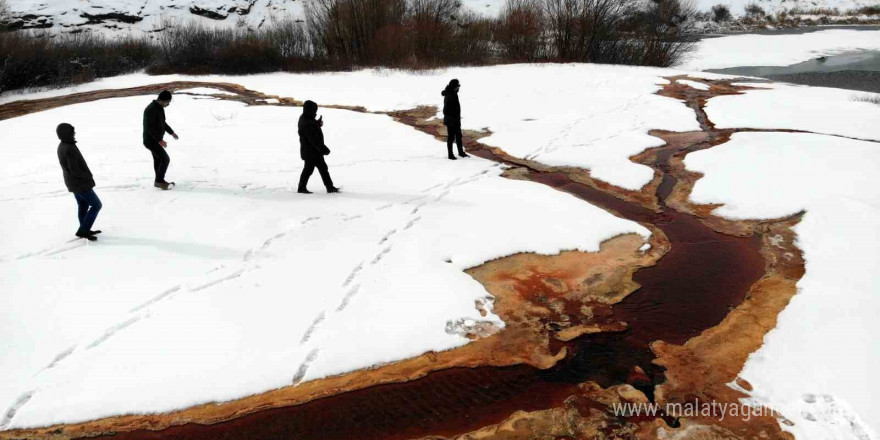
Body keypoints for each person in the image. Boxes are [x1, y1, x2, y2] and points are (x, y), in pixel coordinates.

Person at [56, 123, 102, 242]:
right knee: (96, 205)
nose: (74, 133)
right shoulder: (69, 148)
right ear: (67, 133)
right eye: (72, 131)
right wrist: (88, 176)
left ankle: (85, 228)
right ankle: (83, 230)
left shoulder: (62, 145)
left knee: (83, 205)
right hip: (80, 183)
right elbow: (75, 170)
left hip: (72, 183)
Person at [297, 100, 340, 194]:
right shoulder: (307, 122)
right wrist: (324, 149)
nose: (315, 112)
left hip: (312, 151)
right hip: (312, 152)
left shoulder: (306, 118)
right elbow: (313, 140)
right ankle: (329, 187)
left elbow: (312, 128)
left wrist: (318, 123)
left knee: (316, 169)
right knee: (315, 169)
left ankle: (329, 187)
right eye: (314, 110)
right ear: (310, 110)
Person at [143, 90, 179, 190]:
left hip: (155, 140)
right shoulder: (151, 109)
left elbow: (163, 123)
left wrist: (172, 132)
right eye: (168, 102)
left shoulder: (159, 108)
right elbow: (149, 127)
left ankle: (158, 181)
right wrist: (159, 140)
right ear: (163, 100)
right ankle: (159, 181)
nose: (168, 104)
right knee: (165, 159)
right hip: (150, 141)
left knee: (159, 159)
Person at [441, 79, 468, 160]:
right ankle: (450, 155)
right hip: (451, 121)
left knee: (459, 136)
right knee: (451, 138)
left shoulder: (453, 93)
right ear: (454, 87)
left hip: (455, 120)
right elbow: (445, 110)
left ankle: (460, 152)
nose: (458, 88)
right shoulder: (450, 95)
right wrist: (452, 116)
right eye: (457, 86)